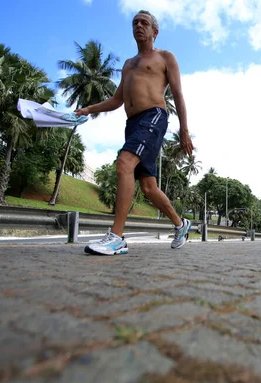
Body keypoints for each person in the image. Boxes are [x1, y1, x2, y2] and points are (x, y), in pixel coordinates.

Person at [75, 10, 194, 255]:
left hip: (154, 117)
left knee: (124, 163)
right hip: (133, 124)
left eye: (144, 23)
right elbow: (117, 100)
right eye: (135, 23)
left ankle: (116, 237)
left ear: (154, 31)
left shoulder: (165, 57)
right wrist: (88, 109)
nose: (139, 26)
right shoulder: (128, 65)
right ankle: (181, 225)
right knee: (149, 187)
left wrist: (184, 130)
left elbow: (179, 95)